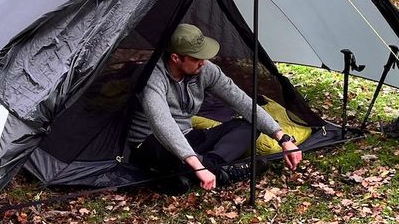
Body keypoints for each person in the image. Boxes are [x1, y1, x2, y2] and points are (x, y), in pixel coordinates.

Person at [128, 23, 303, 195]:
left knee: (248, 126)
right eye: (196, 58)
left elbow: (242, 102)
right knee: (164, 151)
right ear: (176, 58)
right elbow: (162, 124)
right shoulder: (151, 77)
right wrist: (198, 166)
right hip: (151, 143)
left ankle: (199, 171)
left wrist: (282, 138)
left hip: (188, 136)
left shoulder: (205, 70)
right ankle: (218, 173)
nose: (202, 63)